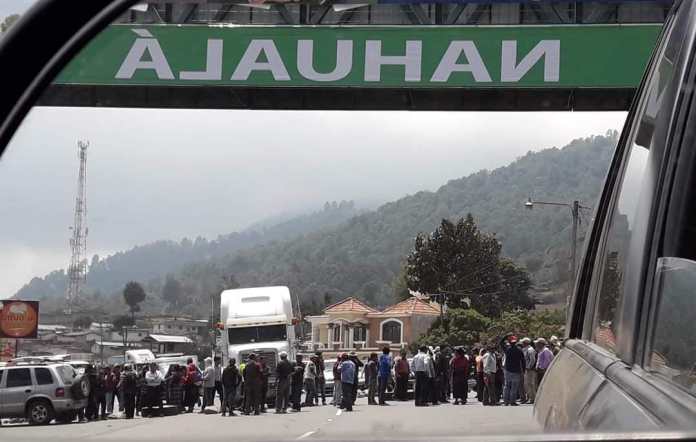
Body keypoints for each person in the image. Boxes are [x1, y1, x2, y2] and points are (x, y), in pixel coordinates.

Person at [503, 336, 525, 406]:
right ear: (516, 342)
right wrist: (523, 370)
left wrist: (505, 337)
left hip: (508, 370)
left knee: (507, 386)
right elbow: (523, 361)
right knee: (514, 387)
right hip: (516, 370)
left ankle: (506, 401)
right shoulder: (519, 350)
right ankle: (512, 401)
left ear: (509, 342)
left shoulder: (507, 349)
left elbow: (500, 343)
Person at [521, 338, 537, 404]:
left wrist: (529, 367)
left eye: (523, 342)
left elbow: (532, 359)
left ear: (526, 343)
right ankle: (531, 398)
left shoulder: (530, 350)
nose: (522, 344)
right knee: (527, 384)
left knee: (530, 384)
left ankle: (533, 398)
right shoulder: (526, 349)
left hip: (529, 370)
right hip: (527, 369)